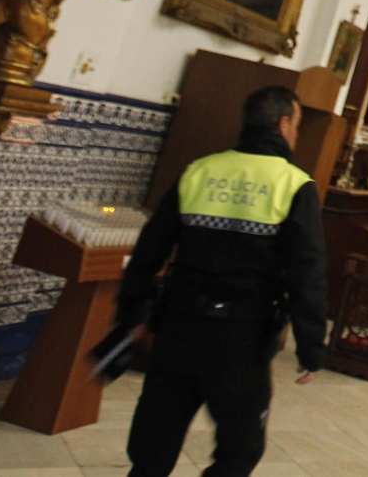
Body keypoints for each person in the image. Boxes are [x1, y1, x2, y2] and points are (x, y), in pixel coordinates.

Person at [118, 86, 328, 477]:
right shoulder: (294, 184)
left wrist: (134, 313)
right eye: (297, 126)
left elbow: (148, 252)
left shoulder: (199, 171)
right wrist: (310, 347)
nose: (296, 134)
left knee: (152, 446)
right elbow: (307, 273)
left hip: (178, 327)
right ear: (283, 126)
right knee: (237, 451)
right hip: (241, 338)